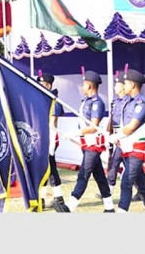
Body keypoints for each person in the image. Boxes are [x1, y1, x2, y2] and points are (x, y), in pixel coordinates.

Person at [108, 68, 145, 213]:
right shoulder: (127, 102)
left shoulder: (141, 103)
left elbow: (131, 128)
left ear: (133, 85)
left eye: (127, 84)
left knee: (126, 183)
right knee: (141, 183)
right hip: (127, 148)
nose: (124, 86)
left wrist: (115, 137)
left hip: (137, 149)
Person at [64, 70, 114, 213]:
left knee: (83, 174)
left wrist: (76, 133)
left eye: (84, 84)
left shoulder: (97, 103)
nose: (82, 87)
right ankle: (109, 206)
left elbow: (93, 126)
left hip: (94, 145)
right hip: (87, 144)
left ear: (90, 86)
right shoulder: (86, 102)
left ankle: (70, 206)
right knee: (99, 177)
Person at [36, 72, 69, 212]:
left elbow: (53, 121)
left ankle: (57, 197)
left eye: (42, 84)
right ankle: (43, 199)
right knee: (43, 169)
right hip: (42, 136)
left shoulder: (52, 100)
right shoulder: (42, 99)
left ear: (48, 86)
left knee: (50, 168)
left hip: (49, 137)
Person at [106, 71, 128, 191]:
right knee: (123, 163)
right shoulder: (115, 102)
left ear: (123, 86)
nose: (115, 87)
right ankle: (141, 190)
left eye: (117, 85)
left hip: (125, 136)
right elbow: (112, 117)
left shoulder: (129, 101)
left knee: (115, 161)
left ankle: (109, 189)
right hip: (116, 135)